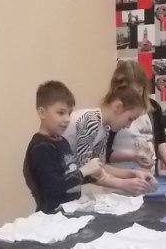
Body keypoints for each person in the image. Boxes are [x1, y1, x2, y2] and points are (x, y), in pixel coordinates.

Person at [63, 67, 155, 195]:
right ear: (118, 107)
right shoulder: (91, 120)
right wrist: (123, 184)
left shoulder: (105, 128)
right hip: (56, 182)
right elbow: (85, 170)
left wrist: (132, 174)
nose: (128, 126)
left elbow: (99, 167)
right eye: (129, 119)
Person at [23, 81, 103, 213]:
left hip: (70, 210)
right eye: (61, 113)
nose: (67, 119)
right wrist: (84, 171)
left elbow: (69, 176)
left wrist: (91, 175)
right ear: (42, 113)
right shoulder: (41, 148)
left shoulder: (63, 141)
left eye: (69, 113)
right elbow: (54, 186)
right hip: (51, 215)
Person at [106, 60, 166, 181]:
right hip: (120, 178)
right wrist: (133, 157)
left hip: (148, 176)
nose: (135, 98)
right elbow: (105, 154)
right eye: (131, 93)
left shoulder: (153, 107)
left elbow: (160, 140)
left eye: (138, 92)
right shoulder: (112, 112)